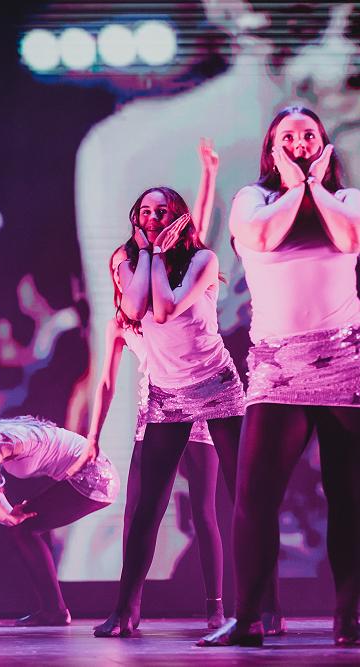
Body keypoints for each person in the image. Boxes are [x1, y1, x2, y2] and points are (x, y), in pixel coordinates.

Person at [199, 106, 360, 648]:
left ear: (323, 145)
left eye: (308, 135)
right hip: (278, 369)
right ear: (272, 149)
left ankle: (348, 619)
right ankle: (248, 619)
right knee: (255, 498)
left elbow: (349, 239)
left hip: (345, 362)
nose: (299, 143)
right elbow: (262, 239)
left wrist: (315, 187)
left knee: (350, 497)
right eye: (287, 137)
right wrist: (296, 187)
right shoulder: (253, 199)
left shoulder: (347, 199)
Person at [92, 183, 245, 638]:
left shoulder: (201, 261)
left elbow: (165, 309)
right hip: (164, 396)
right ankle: (125, 611)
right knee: (145, 510)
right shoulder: (128, 266)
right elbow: (136, 307)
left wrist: (159, 253)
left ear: (178, 218)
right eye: (145, 211)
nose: (153, 217)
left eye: (162, 211)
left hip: (214, 388)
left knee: (230, 503)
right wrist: (147, 255)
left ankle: (249, 606)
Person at [0, 409, 119, 626]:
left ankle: (55, 611)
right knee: (24, 528)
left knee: (24, 529)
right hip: (91, 475)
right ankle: (54, 609)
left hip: (95, 477)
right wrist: (10, 514)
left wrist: (9, 520)